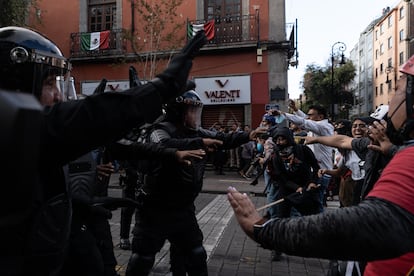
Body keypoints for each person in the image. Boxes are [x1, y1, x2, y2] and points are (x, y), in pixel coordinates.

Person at [0, 26, 207, 276]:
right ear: (16, 83)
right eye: (48, 83)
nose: (58, 96)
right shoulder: (13, 127)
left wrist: (77, 206)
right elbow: (87, 119)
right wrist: (157, 89)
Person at [227, 55, 414, 275]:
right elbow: (343, 141)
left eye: (398, 89)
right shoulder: (380, 147)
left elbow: (364, 225)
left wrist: (265, 229)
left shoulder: (407, 158)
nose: (390, 102)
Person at [125, 85, 264, 276]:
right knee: (142, 258)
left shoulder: (197, 132)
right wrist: (198, 143)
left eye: (196, 110)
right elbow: (163, 145)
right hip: (154, 210)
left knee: (195, 255)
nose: (194, 115)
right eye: (191, 111)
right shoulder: (160, 130)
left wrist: (248, 135)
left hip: (183, 209)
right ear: (177, 112)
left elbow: (223, 138)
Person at [272, 103, 334, 212]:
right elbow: (305, 118)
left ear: (320, 117)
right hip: (315, 173)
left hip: (321, 173)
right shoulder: (317, 125)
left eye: (311, 115)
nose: (307, 117)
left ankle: (320, 225)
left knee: (316, 203)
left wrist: (283, 114)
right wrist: (296, 110)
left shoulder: (323, 127)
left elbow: (304, 122)